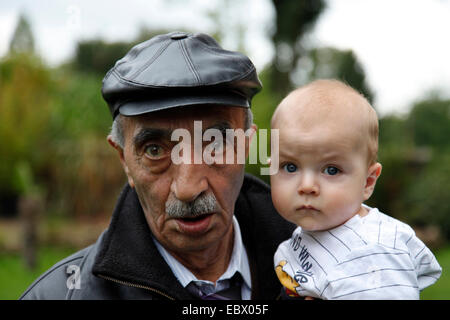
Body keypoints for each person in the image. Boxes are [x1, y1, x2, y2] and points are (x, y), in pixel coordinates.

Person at [20, 31, 294, 300]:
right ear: (124, 160)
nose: (188, 189)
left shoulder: (328, 277)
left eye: (214, 144)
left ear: (246, 147)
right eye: (154, 150)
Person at [270, 79, 442, 300]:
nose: (306, 186)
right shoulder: (323, 228)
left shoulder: (372, 256)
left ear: (368, 182)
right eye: (290, 167)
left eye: (331, 170)